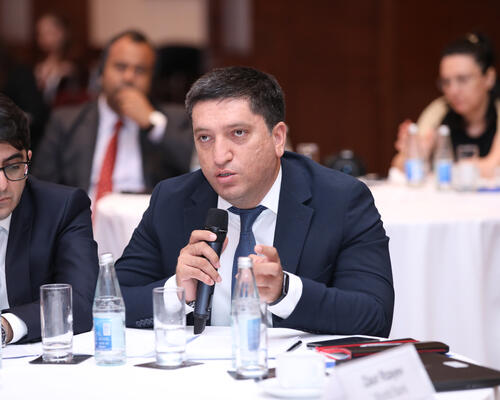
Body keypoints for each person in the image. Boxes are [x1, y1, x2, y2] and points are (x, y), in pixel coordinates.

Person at [116, 66, 394, 336]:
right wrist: (176, 291)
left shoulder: (341, 200)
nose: (219, 156)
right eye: (205, 137)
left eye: (238, 133)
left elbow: (374, 315)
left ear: (278, 138)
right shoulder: (172, 200)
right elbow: (111, 301)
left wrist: (285, 291)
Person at [32, 30, 193, 204]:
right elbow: (41, 189)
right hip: (82, 217)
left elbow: (196, 167)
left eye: (140, 70)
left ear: (151, 79)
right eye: (120, 67)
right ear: (101, 72)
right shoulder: (66, 121)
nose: (129, 77)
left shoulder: (173, 120)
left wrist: (152, 124)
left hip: (144, 218)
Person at [0, 93, 98, 345]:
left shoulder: (62, 208)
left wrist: (6, 326)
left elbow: (80, 304)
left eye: (13, 167)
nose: (2, 185)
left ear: (28, 160)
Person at [392, 32, 500, 177]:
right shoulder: (439, 110)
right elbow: (399, 163)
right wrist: (415, 152)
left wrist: (438, 169)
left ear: (489, 78)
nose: (453, 91)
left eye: (463, 79)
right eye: (446, 82)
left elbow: (493, 167)